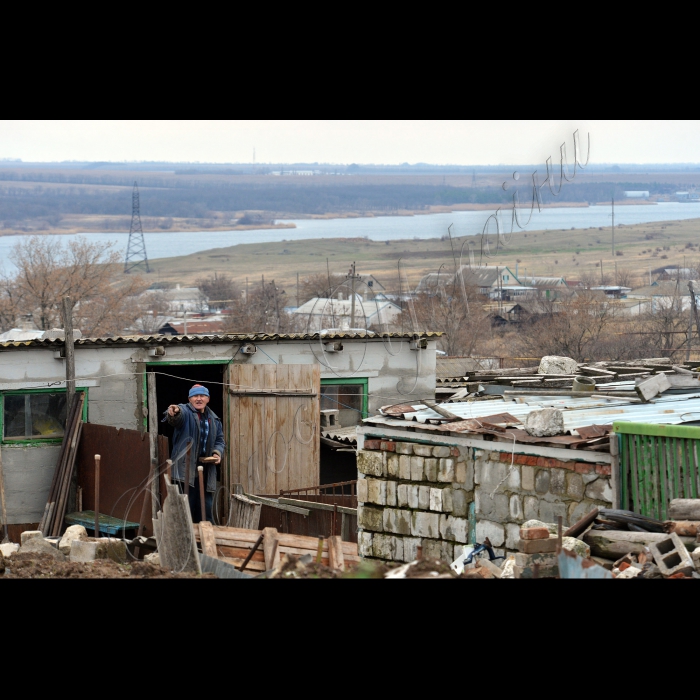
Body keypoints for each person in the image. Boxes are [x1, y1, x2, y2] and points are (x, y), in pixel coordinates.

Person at [166, 385, 225, 524]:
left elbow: (220, 440)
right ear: (189, 399)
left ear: (208, 399)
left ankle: (204, 541)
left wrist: (217, 453)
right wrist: (174, 412)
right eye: (195, 396)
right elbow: (176, 417)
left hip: (206, 468)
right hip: (185, 469)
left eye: (202, 396)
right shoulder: (185, 412)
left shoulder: (214, 419)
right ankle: (185, 541)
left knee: (206, 508)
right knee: (186, 509)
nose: (199, 398)